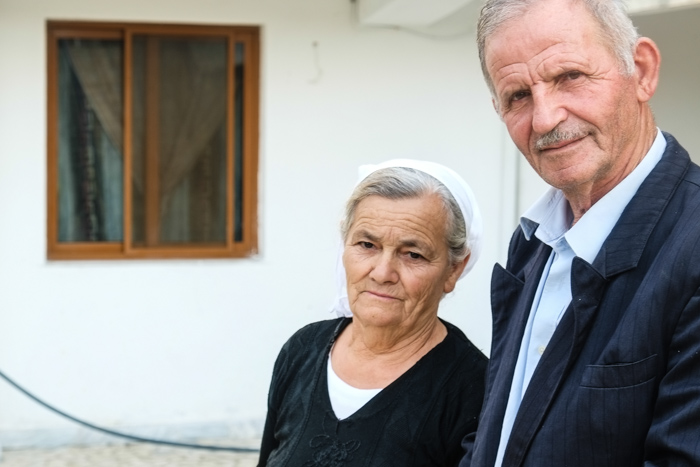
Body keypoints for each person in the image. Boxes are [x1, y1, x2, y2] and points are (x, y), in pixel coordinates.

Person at [460, 0, 700, 465]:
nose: (545, 119)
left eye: (569, 76)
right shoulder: (534, 242)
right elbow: (505, 426)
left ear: (642, 71)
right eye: (518, 96)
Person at [258, 159, 488, 466]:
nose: (382, 273)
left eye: (413, 254)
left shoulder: (474, 388)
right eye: (367, 245)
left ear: (454, 269)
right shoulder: (303, 350)